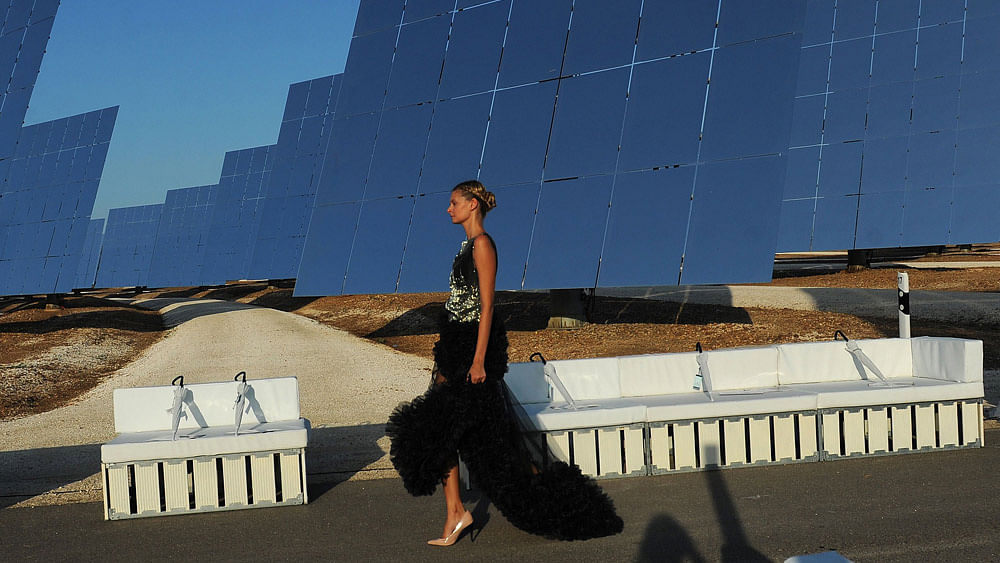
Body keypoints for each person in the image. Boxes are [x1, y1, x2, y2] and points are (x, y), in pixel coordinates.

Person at [386, 180, 623, 546]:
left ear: (472, 206)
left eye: (453, 203)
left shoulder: (482, 245)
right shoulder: (464, 246)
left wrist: (479, 359)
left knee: (475, 440)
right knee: (440, 428)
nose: (448, 209)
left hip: (472, 350)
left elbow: (487, 306)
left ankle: (471, 510)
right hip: (454, 345)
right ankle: (455, 512)